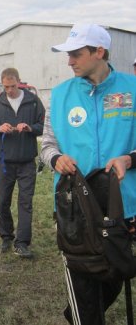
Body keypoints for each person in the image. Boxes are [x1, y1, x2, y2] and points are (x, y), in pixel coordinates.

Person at [40, 23, 136, 325]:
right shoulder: (59, 96)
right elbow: (46, 146)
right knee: (83, 288)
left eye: (76, 54)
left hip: (123, 208)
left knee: (116, 274)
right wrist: (55, 159)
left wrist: (130, 160)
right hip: (75, 211)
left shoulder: (132, 90)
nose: (70, 62)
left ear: (99, 52)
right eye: (68, 55)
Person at [0, 68, 45, 258]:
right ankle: (6, 237)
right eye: (6, 87)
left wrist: (31, 128)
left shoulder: (32, 101)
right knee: (3, 202)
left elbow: (44, 126)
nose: (9, 90)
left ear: (19, 82)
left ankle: (22, 243)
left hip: (27, 162)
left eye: (12, 86)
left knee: (25, 203)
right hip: (5, 163)